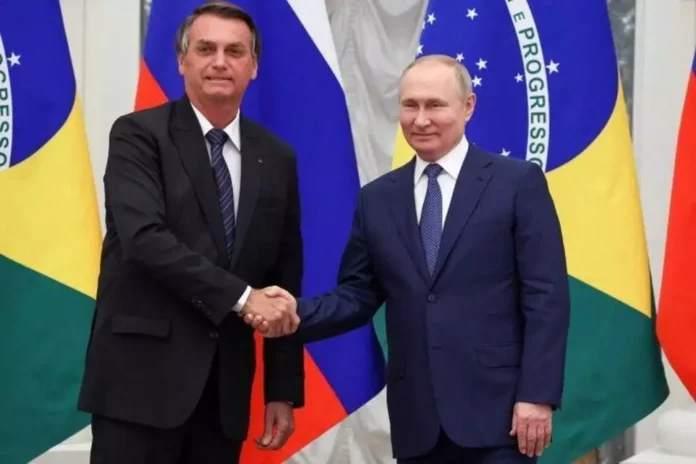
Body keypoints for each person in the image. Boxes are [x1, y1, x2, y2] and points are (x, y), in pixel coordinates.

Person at [250, 55, 571, 463]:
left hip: (500, 418)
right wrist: (293, 312)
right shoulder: (377, 198)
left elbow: (546, 297)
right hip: (418, 422)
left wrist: (537, 395)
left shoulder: (517, 183)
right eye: (410, 105)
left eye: (435, 105)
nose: (421, 120)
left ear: (468, 106)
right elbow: (357, 295)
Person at [78, 3, 303, 463]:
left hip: (223, 397)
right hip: (139, 388)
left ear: (254, 66)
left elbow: (284, 278)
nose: (220, 62)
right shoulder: (138, 136)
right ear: (182, 61)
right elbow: (145, 240)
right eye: (205, 49)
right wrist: (243, 298)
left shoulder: (277, 157)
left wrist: (281, 389)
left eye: (234, 51)